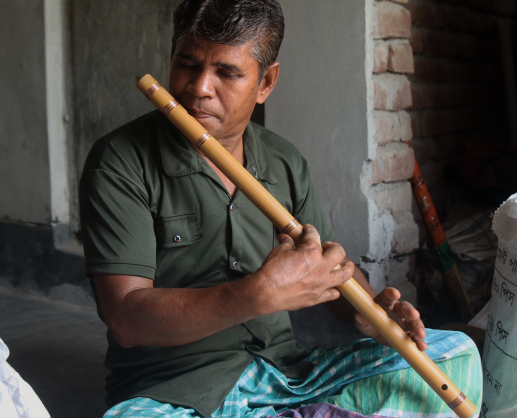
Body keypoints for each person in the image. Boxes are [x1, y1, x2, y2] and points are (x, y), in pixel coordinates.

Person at [79, 1, 481, 417]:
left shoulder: (283, 160)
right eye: (187, 64)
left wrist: (373, 314)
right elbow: (125, 319)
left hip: (286, 376)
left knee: (455, 351)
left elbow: (331, 270)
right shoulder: (119, 161)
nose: (199, 87)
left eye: (226, 72)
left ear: (265, 82)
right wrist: (254, 296)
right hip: (175, 390)